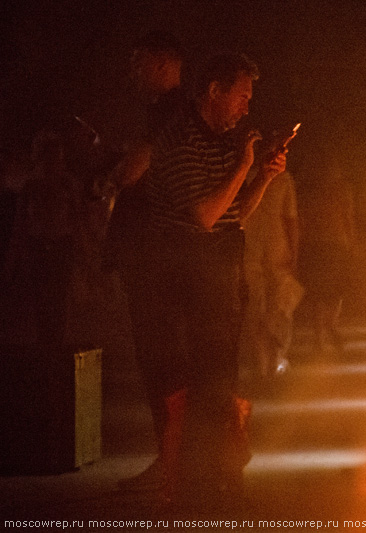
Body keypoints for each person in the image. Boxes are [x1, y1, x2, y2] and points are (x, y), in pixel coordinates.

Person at [141, 51, 286, 505]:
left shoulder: (227, 141)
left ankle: (224, 476)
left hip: (223, 276)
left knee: (224, 382)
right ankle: (189, 485)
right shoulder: (180, 139)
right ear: (214, 91)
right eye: (241, 97)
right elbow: (205, 216)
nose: (246, 107)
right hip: (184, 282)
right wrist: (244, 164)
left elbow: (234, 214)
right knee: (196, 385)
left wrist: (261, 175)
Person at [108, 31, 188, 493]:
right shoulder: (175, 114)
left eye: (139, 61)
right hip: (160, 255)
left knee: (162, 361)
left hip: (155, 257)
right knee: (164, 361)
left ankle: (172, 464)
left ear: (163, 64)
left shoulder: (168, 113)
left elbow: (132, 171)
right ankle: (173, 460)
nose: (132, 71)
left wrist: (113, 172)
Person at [3, 129, 88, 347]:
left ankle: (56, 349)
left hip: (61, 247)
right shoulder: (30, 187)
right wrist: (10, 264)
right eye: (48, 158)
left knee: (60, 301)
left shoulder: (67, 185)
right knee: (40, 302)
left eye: (56, 159)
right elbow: (20, 226)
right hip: (37, 248)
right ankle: (45, 351)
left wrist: (83, 255)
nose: (53, 164)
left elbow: (76, 222)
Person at [240, 169, 301, 382]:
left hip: (250, 248)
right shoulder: (283, 177)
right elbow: (290, 219)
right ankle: (274, 361)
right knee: (279, 308)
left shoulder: (242, 174)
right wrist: (294, 254)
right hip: (276, 248)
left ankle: (264, 364)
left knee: (256, 307)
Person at [298, 155, 355, 354]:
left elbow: (302, 220)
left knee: (323, 293)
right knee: (330, 292)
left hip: (320, 244)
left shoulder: (314, 191)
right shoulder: (337, 189)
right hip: (330, 243)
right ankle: (327, 330)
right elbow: (347, 217)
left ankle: (322, 334)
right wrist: (351, 241)